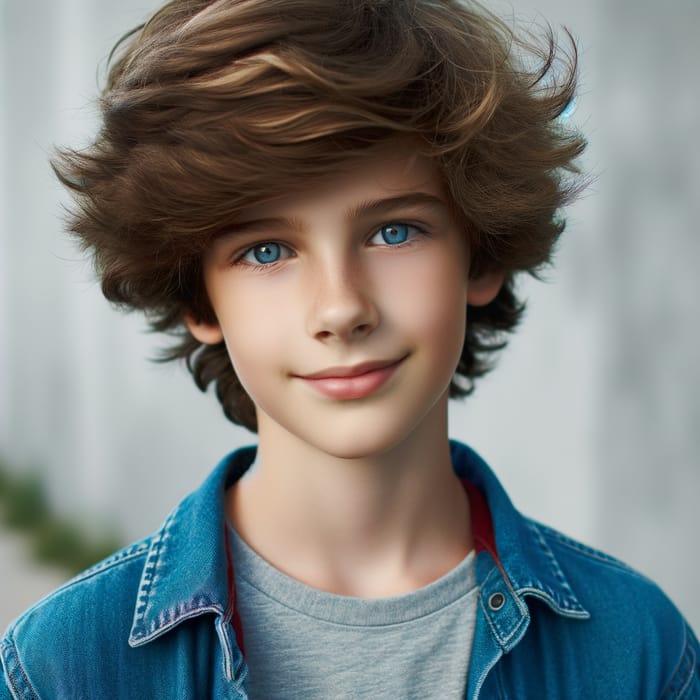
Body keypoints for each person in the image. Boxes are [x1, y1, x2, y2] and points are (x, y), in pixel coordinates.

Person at [1, 0, 698, 697]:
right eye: (266, 250)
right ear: (198, 300)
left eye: (395, 232)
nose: (341, 308)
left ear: (481, 254)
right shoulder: (60, 666)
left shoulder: (638, 648)